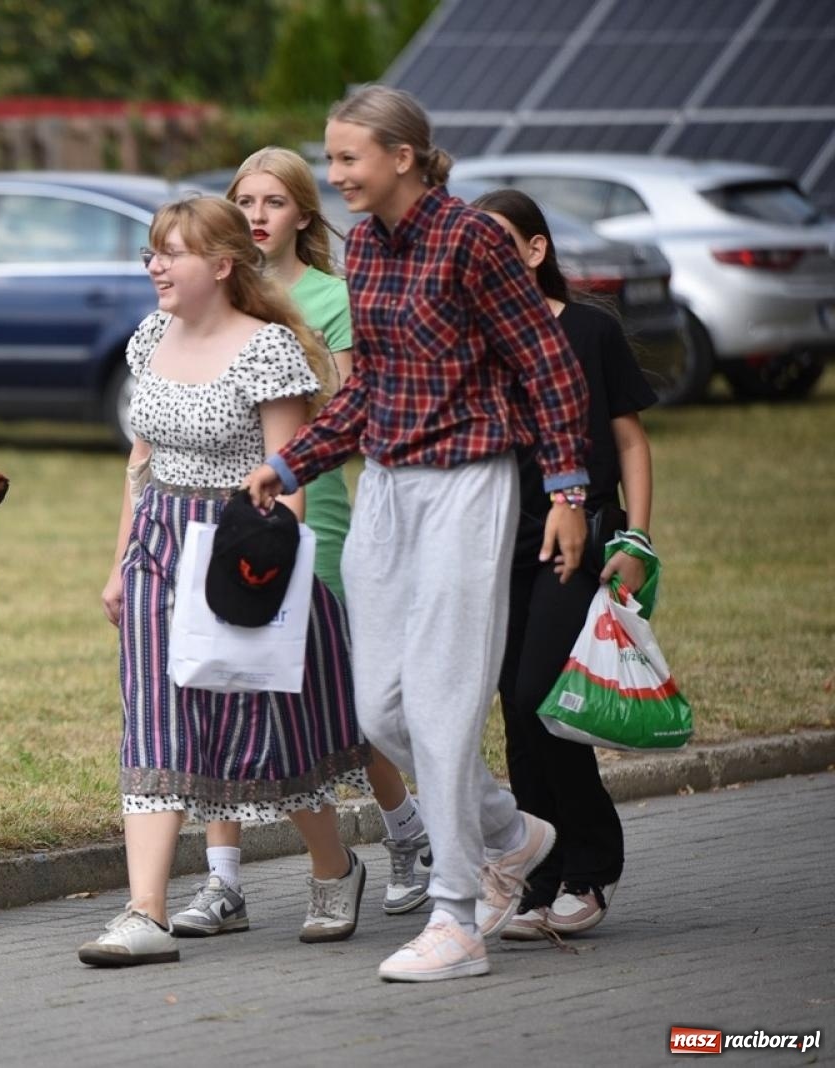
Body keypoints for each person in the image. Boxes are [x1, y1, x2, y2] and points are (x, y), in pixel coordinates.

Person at [242, 86, 591, 983]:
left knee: (441, 702)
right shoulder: (367, 248)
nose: (334, 174)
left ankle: (458, 918)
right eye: (330, 157)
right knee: (379, 711)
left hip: (468, 487)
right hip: (389, 490)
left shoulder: (473, 238)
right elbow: (369, 388)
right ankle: (512, 834)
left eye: (348, 158)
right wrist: (295, 462)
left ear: (403, 156)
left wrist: (567, 488)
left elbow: (545, 364)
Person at [79, 195, 375, 968]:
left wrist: (265, 574)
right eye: (151, 252)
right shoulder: (149, 338)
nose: (154, 267)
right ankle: (144, 910)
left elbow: (295, 474)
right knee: (155, 720)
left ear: (220, 264)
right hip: (158, 547)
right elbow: (138, 464)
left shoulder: (270, 349)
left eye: (170, 253)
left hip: (242, 548)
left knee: (267, 730)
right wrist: (119, 564)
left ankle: (333, 870)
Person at [168, 148, 434, 938]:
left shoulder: (330, 297)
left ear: (304, 216)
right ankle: (224, 883)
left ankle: (408, 833)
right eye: (244, 200)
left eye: (274, 201)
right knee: (220, 688)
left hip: (306, 516)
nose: (257, 215)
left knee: (334, 708)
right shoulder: (214, 296)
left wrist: (285, 491)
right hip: (219, 518)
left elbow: (343, 415)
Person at [470, 188, 656, 940]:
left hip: (574, 542)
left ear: (536, 250)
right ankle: (539, 876)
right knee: (516, 710)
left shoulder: (589, 330)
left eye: (498, 244)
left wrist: (636, 540)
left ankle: (589, 867)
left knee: (542, 696)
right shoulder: (476, 340)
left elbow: (632, 443)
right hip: (492, 545)